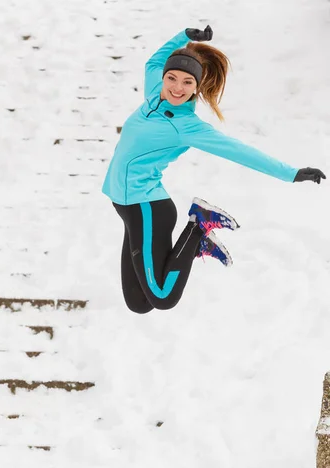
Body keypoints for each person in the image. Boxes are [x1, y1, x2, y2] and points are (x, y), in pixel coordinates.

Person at [102, 26, 326, 314]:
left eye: (186, 82)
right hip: (126, 206)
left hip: (146, 206)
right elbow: (154, 62)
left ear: (197, 87)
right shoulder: (155, 94)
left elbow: (239, 151)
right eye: (171, 78)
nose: (176, 88)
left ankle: (200, 224)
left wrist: (291, 173)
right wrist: (185, 36)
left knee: (162, 297)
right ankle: (194, 247)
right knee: (138, 303)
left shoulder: (187, 126)